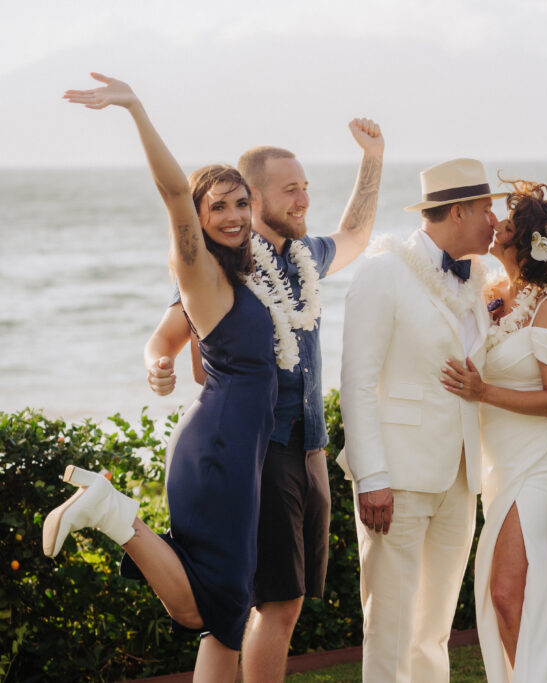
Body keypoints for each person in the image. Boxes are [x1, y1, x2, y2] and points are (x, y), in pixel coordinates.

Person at [44, 73, 283, 682]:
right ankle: (113, 512)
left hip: (232, 449)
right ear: (199, 221)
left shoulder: (233, 279)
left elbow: (166, 335)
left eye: (239, 202)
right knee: (215, 608)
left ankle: (114, 512)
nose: (231, 216)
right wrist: (136, 109)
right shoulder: (198, 268)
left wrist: (159, 358)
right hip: (221, 451)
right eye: (218, 206)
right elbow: (175, 192)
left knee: (213, 613)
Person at [144, 124, 383, 682]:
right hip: (260, 448)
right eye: (290, 190)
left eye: (304, 187)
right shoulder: (228, 265)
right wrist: (158, 362)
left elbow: (354, 233)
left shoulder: (306, 257)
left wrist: (373, 158)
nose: (304, 199)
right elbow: (170, 330)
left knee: (287, 603)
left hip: (310, 447)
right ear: (255, 201)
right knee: (272, 602)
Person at [338, 158, 502, 682]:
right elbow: (357, 380)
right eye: (486, 210)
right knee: (389, 625)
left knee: (432, 630)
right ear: (458, 211)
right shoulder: (382, 271)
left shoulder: (478, 279)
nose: (495, 220)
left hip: (460, 477)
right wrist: (373, 478)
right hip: (398, 479)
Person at [440, 181, 547, 682]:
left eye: (505, 225)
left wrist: (481, 392)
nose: (495, 227)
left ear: (527, 242)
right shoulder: (493, 294)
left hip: (544, 457)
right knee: (510, 594)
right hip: (501, 458)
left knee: (508, 590)